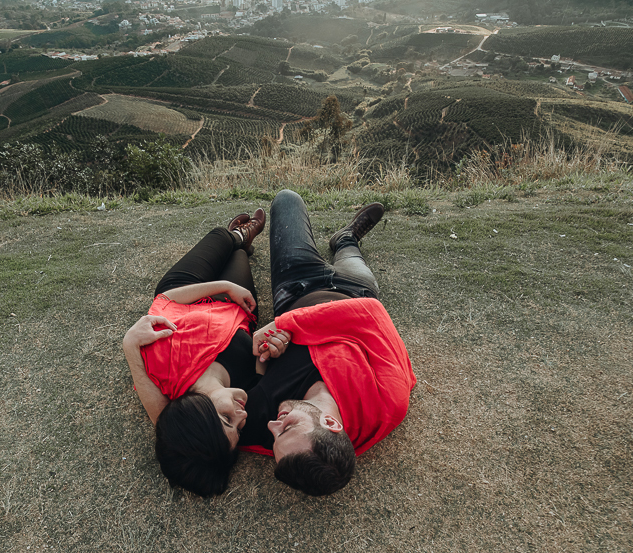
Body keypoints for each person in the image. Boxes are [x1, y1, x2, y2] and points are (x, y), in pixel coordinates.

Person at [240, 190, 415, 496]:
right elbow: (372, 315)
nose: (272, 426)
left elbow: (202, 427)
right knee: (351, 257)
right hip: (355, 291)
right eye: (287, 428)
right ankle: (346, 239)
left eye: (275, 437)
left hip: (296, 285)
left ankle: (342, 242)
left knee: (286, 199)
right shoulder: (388, 403)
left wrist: (263, 357)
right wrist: (284, 326)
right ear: (332, 423)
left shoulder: (266, 417)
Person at [123, 210, 266, 497]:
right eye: (239, 429)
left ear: (195, 414)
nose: (242, 416)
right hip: (236, 306)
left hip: (185, 290)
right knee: (238, 256)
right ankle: (242, 242)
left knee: (221, 237)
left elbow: (166, 300)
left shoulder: (162, 369)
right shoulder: (253, 386)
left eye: (227, 419)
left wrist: (129, 345)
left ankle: (235, 235)